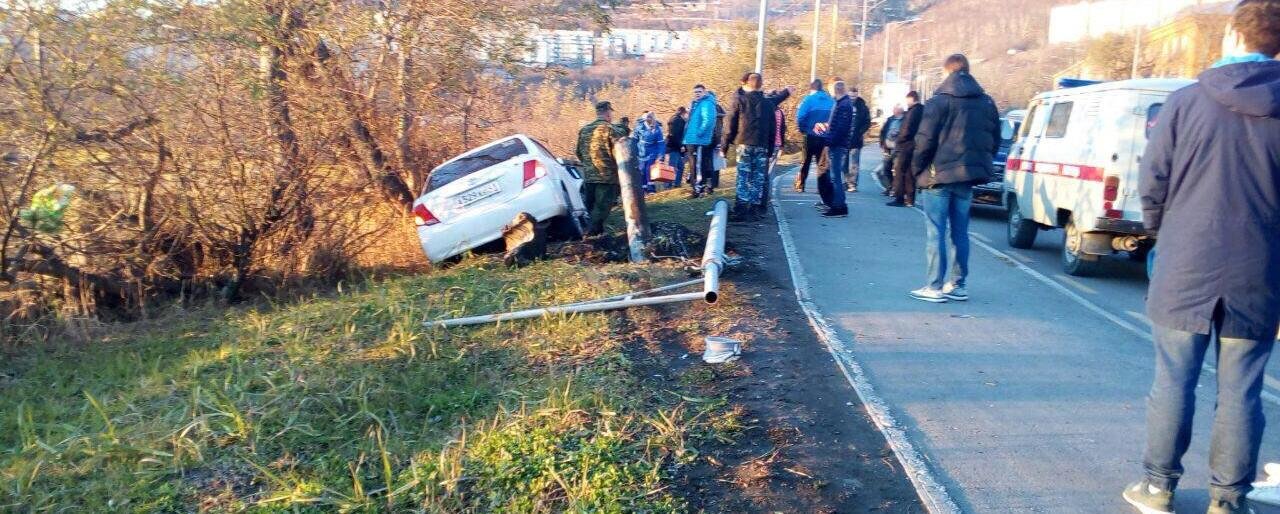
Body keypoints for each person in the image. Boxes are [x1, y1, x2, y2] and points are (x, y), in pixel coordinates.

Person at [1122, 4, 1280, 514]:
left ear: (1235, 33)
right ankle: (1227, 501)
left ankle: (1156, 487)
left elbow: (1154, 180)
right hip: (1259, 271)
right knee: (1241, 391)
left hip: (1186, 262)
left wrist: (1159, 232)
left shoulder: (1186, 102)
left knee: (1173, 379)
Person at [908, 54, 1000, 303]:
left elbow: (924, 140)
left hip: (938, 176)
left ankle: (934, 286)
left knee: (935, 232)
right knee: (960, 231)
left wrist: (916, 170)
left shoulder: (939, 101)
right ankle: (958, 285)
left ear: (946, 72)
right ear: (968, 71)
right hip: (967, 177)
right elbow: (995, 138)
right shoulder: (986, 102)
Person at [723, 72, 792, 220]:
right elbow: (773, 127)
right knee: (758, 177)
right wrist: (771, 146)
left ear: (747, 83)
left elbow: (730, 124)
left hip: (744, 143)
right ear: (761, 85)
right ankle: (754, 209)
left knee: (743, 176)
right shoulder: (768, 104)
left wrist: (725, 145)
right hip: (762, 145)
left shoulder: (740, 101)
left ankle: (741, 208)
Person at [575, 101, 629, 236]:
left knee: (591, 207)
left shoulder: (584, 130)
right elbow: (620, 151)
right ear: (608, 112)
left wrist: (588, 165)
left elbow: (579, 152)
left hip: (589, 176)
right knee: (601, 208)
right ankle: (590, 235)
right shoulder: (610, 129)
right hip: (606, 177)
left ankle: (595, 233)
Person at [813, 79, 854, 218]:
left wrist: (829, 141)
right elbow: (836, 125)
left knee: (836, 177)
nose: (830, 93)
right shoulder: (842, 103)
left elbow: (841, 128)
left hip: (837, 145)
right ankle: (838, 205)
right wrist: (825, 127)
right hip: (837, 143)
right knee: (835, 176)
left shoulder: (844, 105)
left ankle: (839, 206)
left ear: (836, 89)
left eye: (830, 90)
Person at [794, 79, 834, 193]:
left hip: (810, 135)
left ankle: (801, 185)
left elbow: (800, 116)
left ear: (812, 89)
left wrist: (803, 129)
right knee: (822, 163)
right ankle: (821, 187)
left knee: (805, 161)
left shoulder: (808, 99)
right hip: (825, 137)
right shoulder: (831, 101)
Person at [683, 84, 722, 197]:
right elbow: (690, 122)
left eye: (699, 91)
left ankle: (699, 189)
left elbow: (708, 121)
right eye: (695, 92)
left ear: (705, 92)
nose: (697, 94)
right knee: (693, 165)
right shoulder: (696, 104)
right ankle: (696, 186)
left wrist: (700, 133)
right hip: (691, 139)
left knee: (699, 165)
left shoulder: (707, 104)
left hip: (699, 140)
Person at [891, 91, 924, 207]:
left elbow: (907, 128)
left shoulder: (912, 112)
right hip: (915, 145)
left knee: (900, 171)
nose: (906, 103)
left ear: (912, 99)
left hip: (906, 145)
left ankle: (899, 197)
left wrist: (899, 140)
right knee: (910, 173)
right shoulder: (922, 111)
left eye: (907, 100)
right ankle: (910, 199)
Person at [845, 86, 872, 193]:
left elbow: (867, 121)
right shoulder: (844, 104)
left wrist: (860, 131)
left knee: (854, 163)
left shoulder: (862, 106)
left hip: (856, 139)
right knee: (843, 163)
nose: (852, 98)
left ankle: (853, 184)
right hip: (844, 139)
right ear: (848, 94)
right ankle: (846, 182)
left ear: (857, 95)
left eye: (854, 96)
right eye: (851, 96)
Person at [633, 111, 665, 194]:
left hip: (652, 152)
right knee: (642, 170)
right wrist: (633, 151)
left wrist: (661, 156)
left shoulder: (657, 129)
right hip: (641, 152)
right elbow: (634, 140)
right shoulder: (639, 127)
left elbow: (661, 143)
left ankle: (651, 188)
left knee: (648, 169)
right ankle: (644, 189)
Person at [878, 105, 906, 198]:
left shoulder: (904, 120)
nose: (895, 112)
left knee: (897, 170)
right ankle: (889, 187)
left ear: (901, 111)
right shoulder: (890, 119)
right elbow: (883, 131)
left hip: (898, 149)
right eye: (894, 110)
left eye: (897, 111)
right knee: (885, 169)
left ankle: (896, 190)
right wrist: (882, 143)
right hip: (887, 148)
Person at [665, 107, 688, 190]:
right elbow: (676, 135)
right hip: (674, 147)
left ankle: (677, 184)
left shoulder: (674, 119)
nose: (687, 116)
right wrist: (681, 145)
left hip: (673, 146)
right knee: (672, 167)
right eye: (686, 114)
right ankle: (668, 186)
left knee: (680, 166)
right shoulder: (679, 121)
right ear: (683, 113)